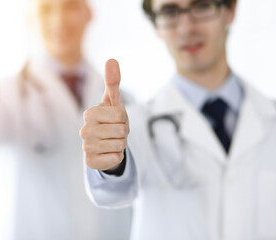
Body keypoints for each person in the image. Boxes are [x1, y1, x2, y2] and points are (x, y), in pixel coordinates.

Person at [80, 0, 276, 239]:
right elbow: (112, 191)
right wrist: (111, 163)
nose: (186, 28)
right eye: (169, 12)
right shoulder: (138, 126)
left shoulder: (269, 117)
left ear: (230, 10)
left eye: (202, 6)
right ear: (155, 25)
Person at [0, 0, 132, 239]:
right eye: (45, 9)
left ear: (88, 13)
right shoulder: (7, 94)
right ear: (30, 19)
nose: (58, 20)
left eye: (70, 6)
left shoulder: (123, 100)